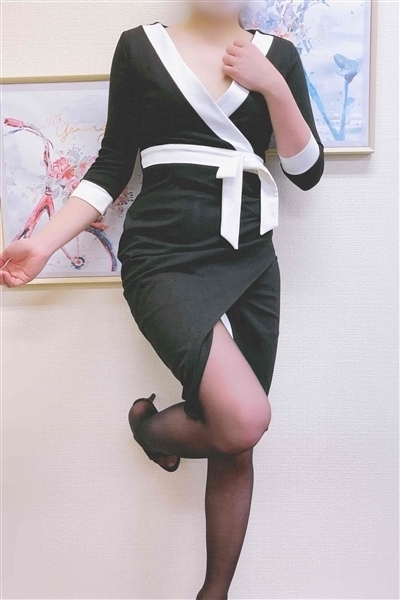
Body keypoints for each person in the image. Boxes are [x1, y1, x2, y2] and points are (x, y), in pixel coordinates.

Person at [0, 1, 324, 597]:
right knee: (244, 418)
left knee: (235, 440)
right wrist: (42, 244)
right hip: (163, 256)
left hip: (250, 258)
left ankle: (212, 594)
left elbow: (306, 172)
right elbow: (111, 167)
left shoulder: (278, 56)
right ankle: (152, 433)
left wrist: (275, 87)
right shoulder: (139, 47)